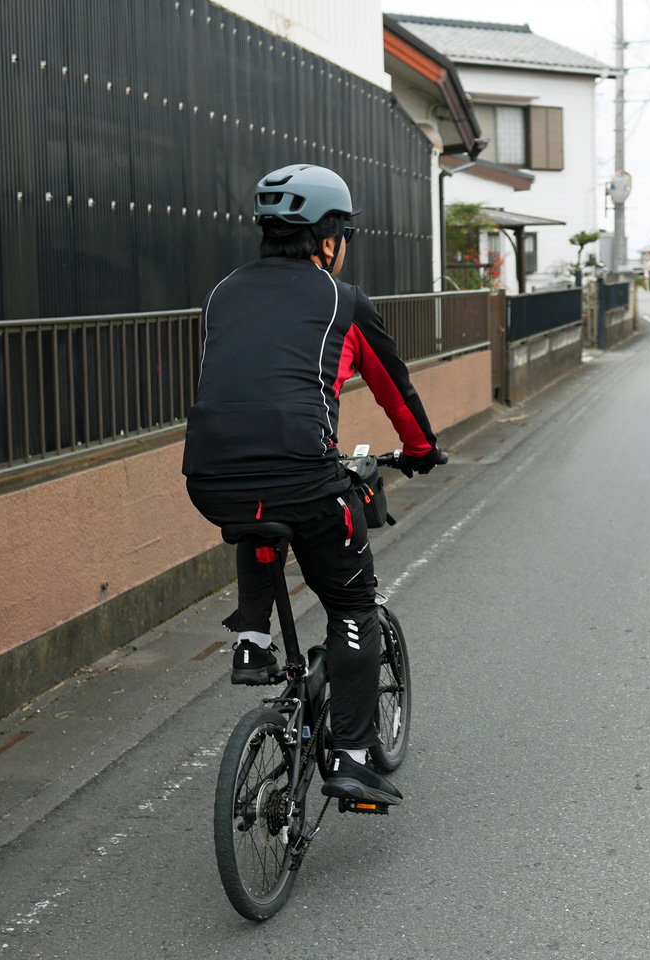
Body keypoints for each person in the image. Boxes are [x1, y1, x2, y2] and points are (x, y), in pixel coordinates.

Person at [182, 164, 444, 806]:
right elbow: (394, 387)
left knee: (258, 503)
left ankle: (251, 643)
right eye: (344, 233)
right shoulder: (339, 299)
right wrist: (422, 450)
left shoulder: (221, 295)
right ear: (327, 238)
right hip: (306, 478)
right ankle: (353, 760)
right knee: (352, 607)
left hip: (210, 477)